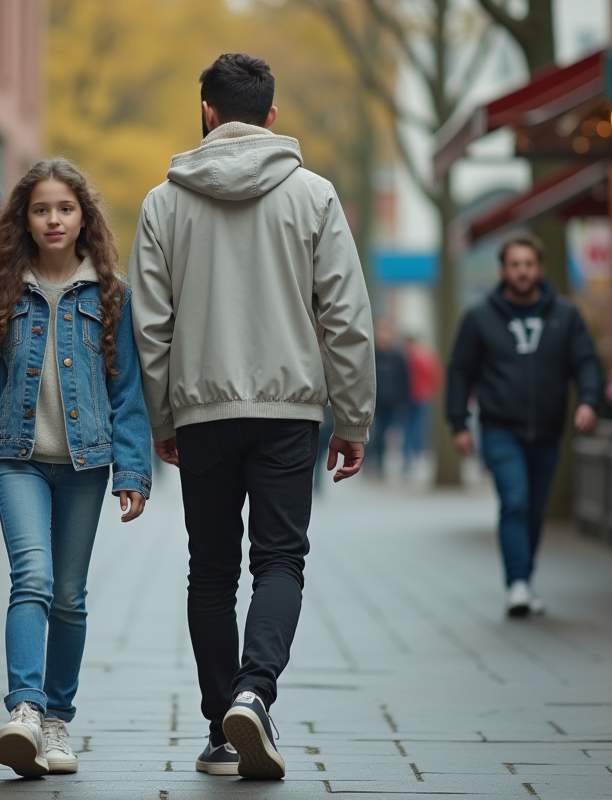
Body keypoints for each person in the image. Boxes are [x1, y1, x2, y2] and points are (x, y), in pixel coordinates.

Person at [129, 53, 376, 779]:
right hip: (287, 410)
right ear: (271, 117)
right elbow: (347, 318)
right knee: (279, 560)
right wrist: (353, 418)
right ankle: (254, 692)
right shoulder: (315, 196)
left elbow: (151, 325)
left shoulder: (162, 204)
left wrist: (162, 416)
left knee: (211, 571)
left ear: (206, 109)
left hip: (202, 411)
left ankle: (219, 727)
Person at [0, 158, 152, 777]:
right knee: (31, 577)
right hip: (18, 461)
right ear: (23, 221)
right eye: (40, 209)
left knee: (69, 596)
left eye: (64, 207)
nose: (53, 219)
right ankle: (26, 711)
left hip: (86, 465)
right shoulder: (2, 294)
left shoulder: (113, 294)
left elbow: (127, 393)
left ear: (83, 215)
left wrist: (132, 473)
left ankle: (58, 721)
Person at [447, 232, 602, 617]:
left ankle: (524, 581)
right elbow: (460, 372)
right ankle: (517, 583)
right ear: (503, 270)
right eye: (515, 265)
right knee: (514, 501)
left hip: (548, 431)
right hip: (501, 428)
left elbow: (585, 363)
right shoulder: (480, 317)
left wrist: (588, 401)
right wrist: (459, 423)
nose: (522, 272)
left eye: (528, 264)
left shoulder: (565, 316)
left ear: (540, 269)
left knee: (534, 510)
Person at [369, 320, 410, 476]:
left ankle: (380, 461)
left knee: (387, 435)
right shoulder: (372, 354)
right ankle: (373, 460)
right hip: (375, 403)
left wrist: (403, 402)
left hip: (391, 403)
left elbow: (403, 380)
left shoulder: (397, 356)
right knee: (375, 433)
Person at [402, 334, 441, 474]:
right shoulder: (424, 356)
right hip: (421, 396)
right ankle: (414, 455)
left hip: (415, 397)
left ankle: (410, 457)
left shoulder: (407, 357)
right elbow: (434, 375)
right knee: (417, 427)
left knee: (411, 428)